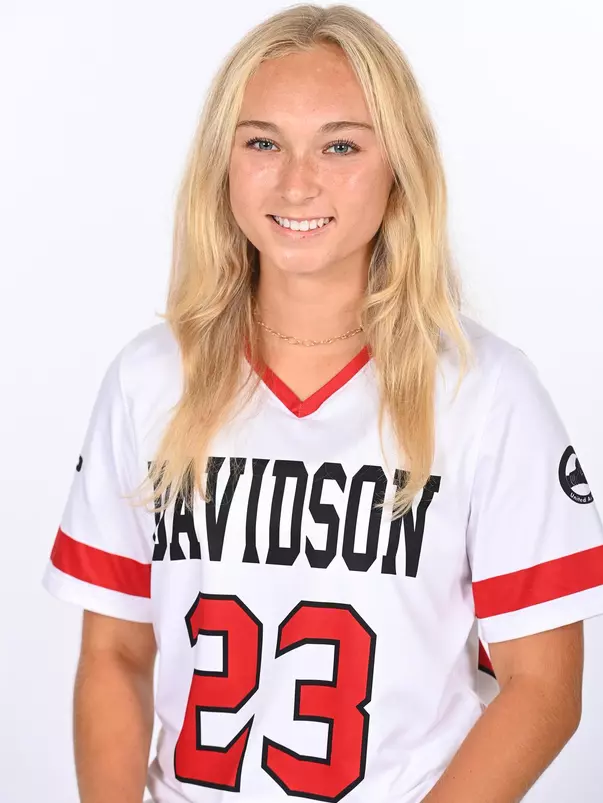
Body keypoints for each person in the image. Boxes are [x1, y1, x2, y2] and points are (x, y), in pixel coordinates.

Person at [43, 4, 603, 803]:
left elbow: (542, 687)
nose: (296, 181)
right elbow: (116, 654)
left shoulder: (485, 392)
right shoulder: (150, 378)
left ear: (397, 165)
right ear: (223, 163)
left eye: (340, 145)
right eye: (262, 142)